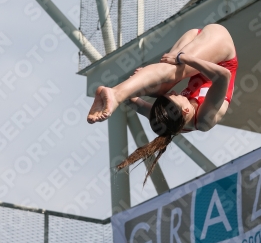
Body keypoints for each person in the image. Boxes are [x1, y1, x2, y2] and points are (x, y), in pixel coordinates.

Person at [87, 24, 238, 183]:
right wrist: (183, 58)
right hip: (221, 50)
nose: (174, 93)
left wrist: (139, 85)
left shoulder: (170, 121)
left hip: (194, 38)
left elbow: (136, 103)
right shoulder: (203, 120)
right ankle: (117, 94)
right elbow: (223, 76)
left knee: (160, 86)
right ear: (186, 111)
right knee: (171, 73)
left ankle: (114, 92)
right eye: (174, 97)